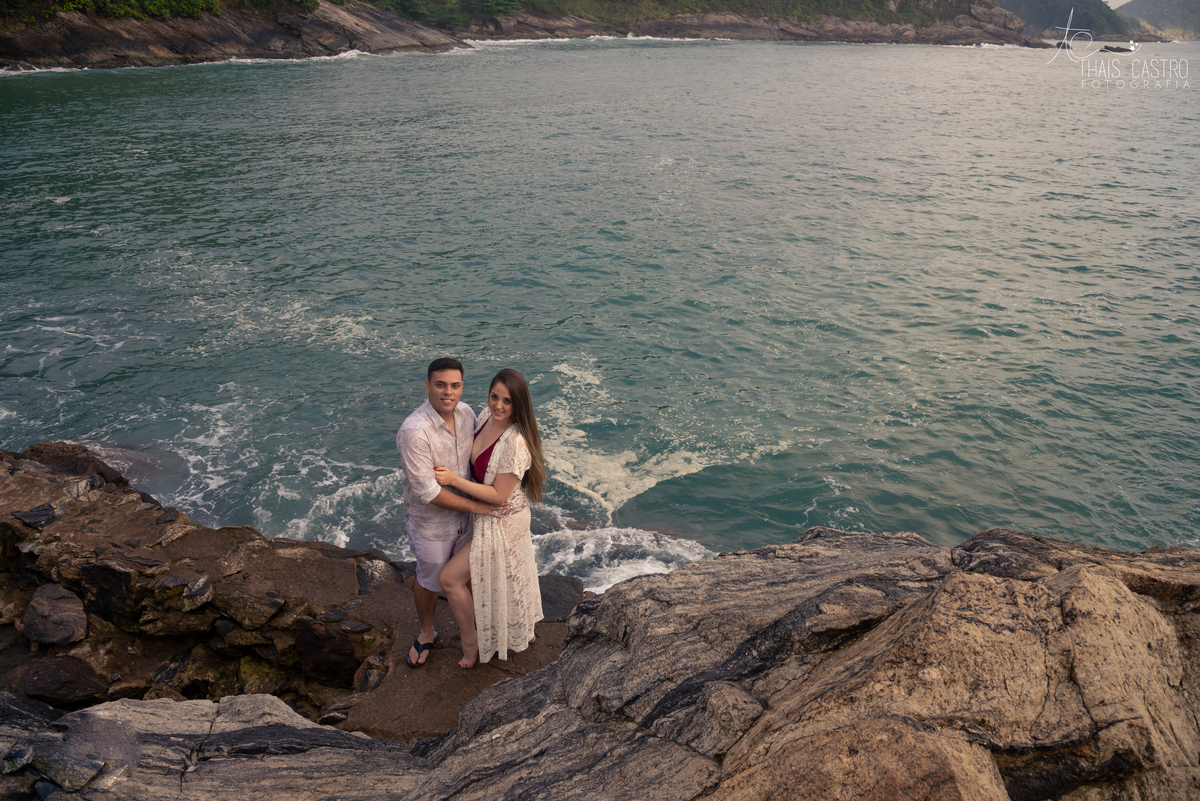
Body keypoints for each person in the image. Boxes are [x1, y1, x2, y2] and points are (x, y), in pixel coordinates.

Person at [434, 368, 546, 669]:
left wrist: (453, 481)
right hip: (488, 513)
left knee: (450, 579)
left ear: (518, 405)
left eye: (507, 402)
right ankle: (519, 629)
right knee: (504, 574)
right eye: (494, 397)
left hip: (504, 517)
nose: (498, 406)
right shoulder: (485, 416)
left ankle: (471, 642)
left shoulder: (515, 444)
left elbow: (498, 494)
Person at [396, 358, 500, 669]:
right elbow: (428, 492)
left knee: (463, 576)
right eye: (440, 385)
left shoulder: (467, 413)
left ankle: (471, 627)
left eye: (455, 386)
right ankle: (427, 631)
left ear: (462, 387)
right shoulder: (414, 431)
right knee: (429, 580)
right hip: (432, 524)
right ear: (427, 386)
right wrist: (478, 506)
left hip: (466, 518)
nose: (448, 392)